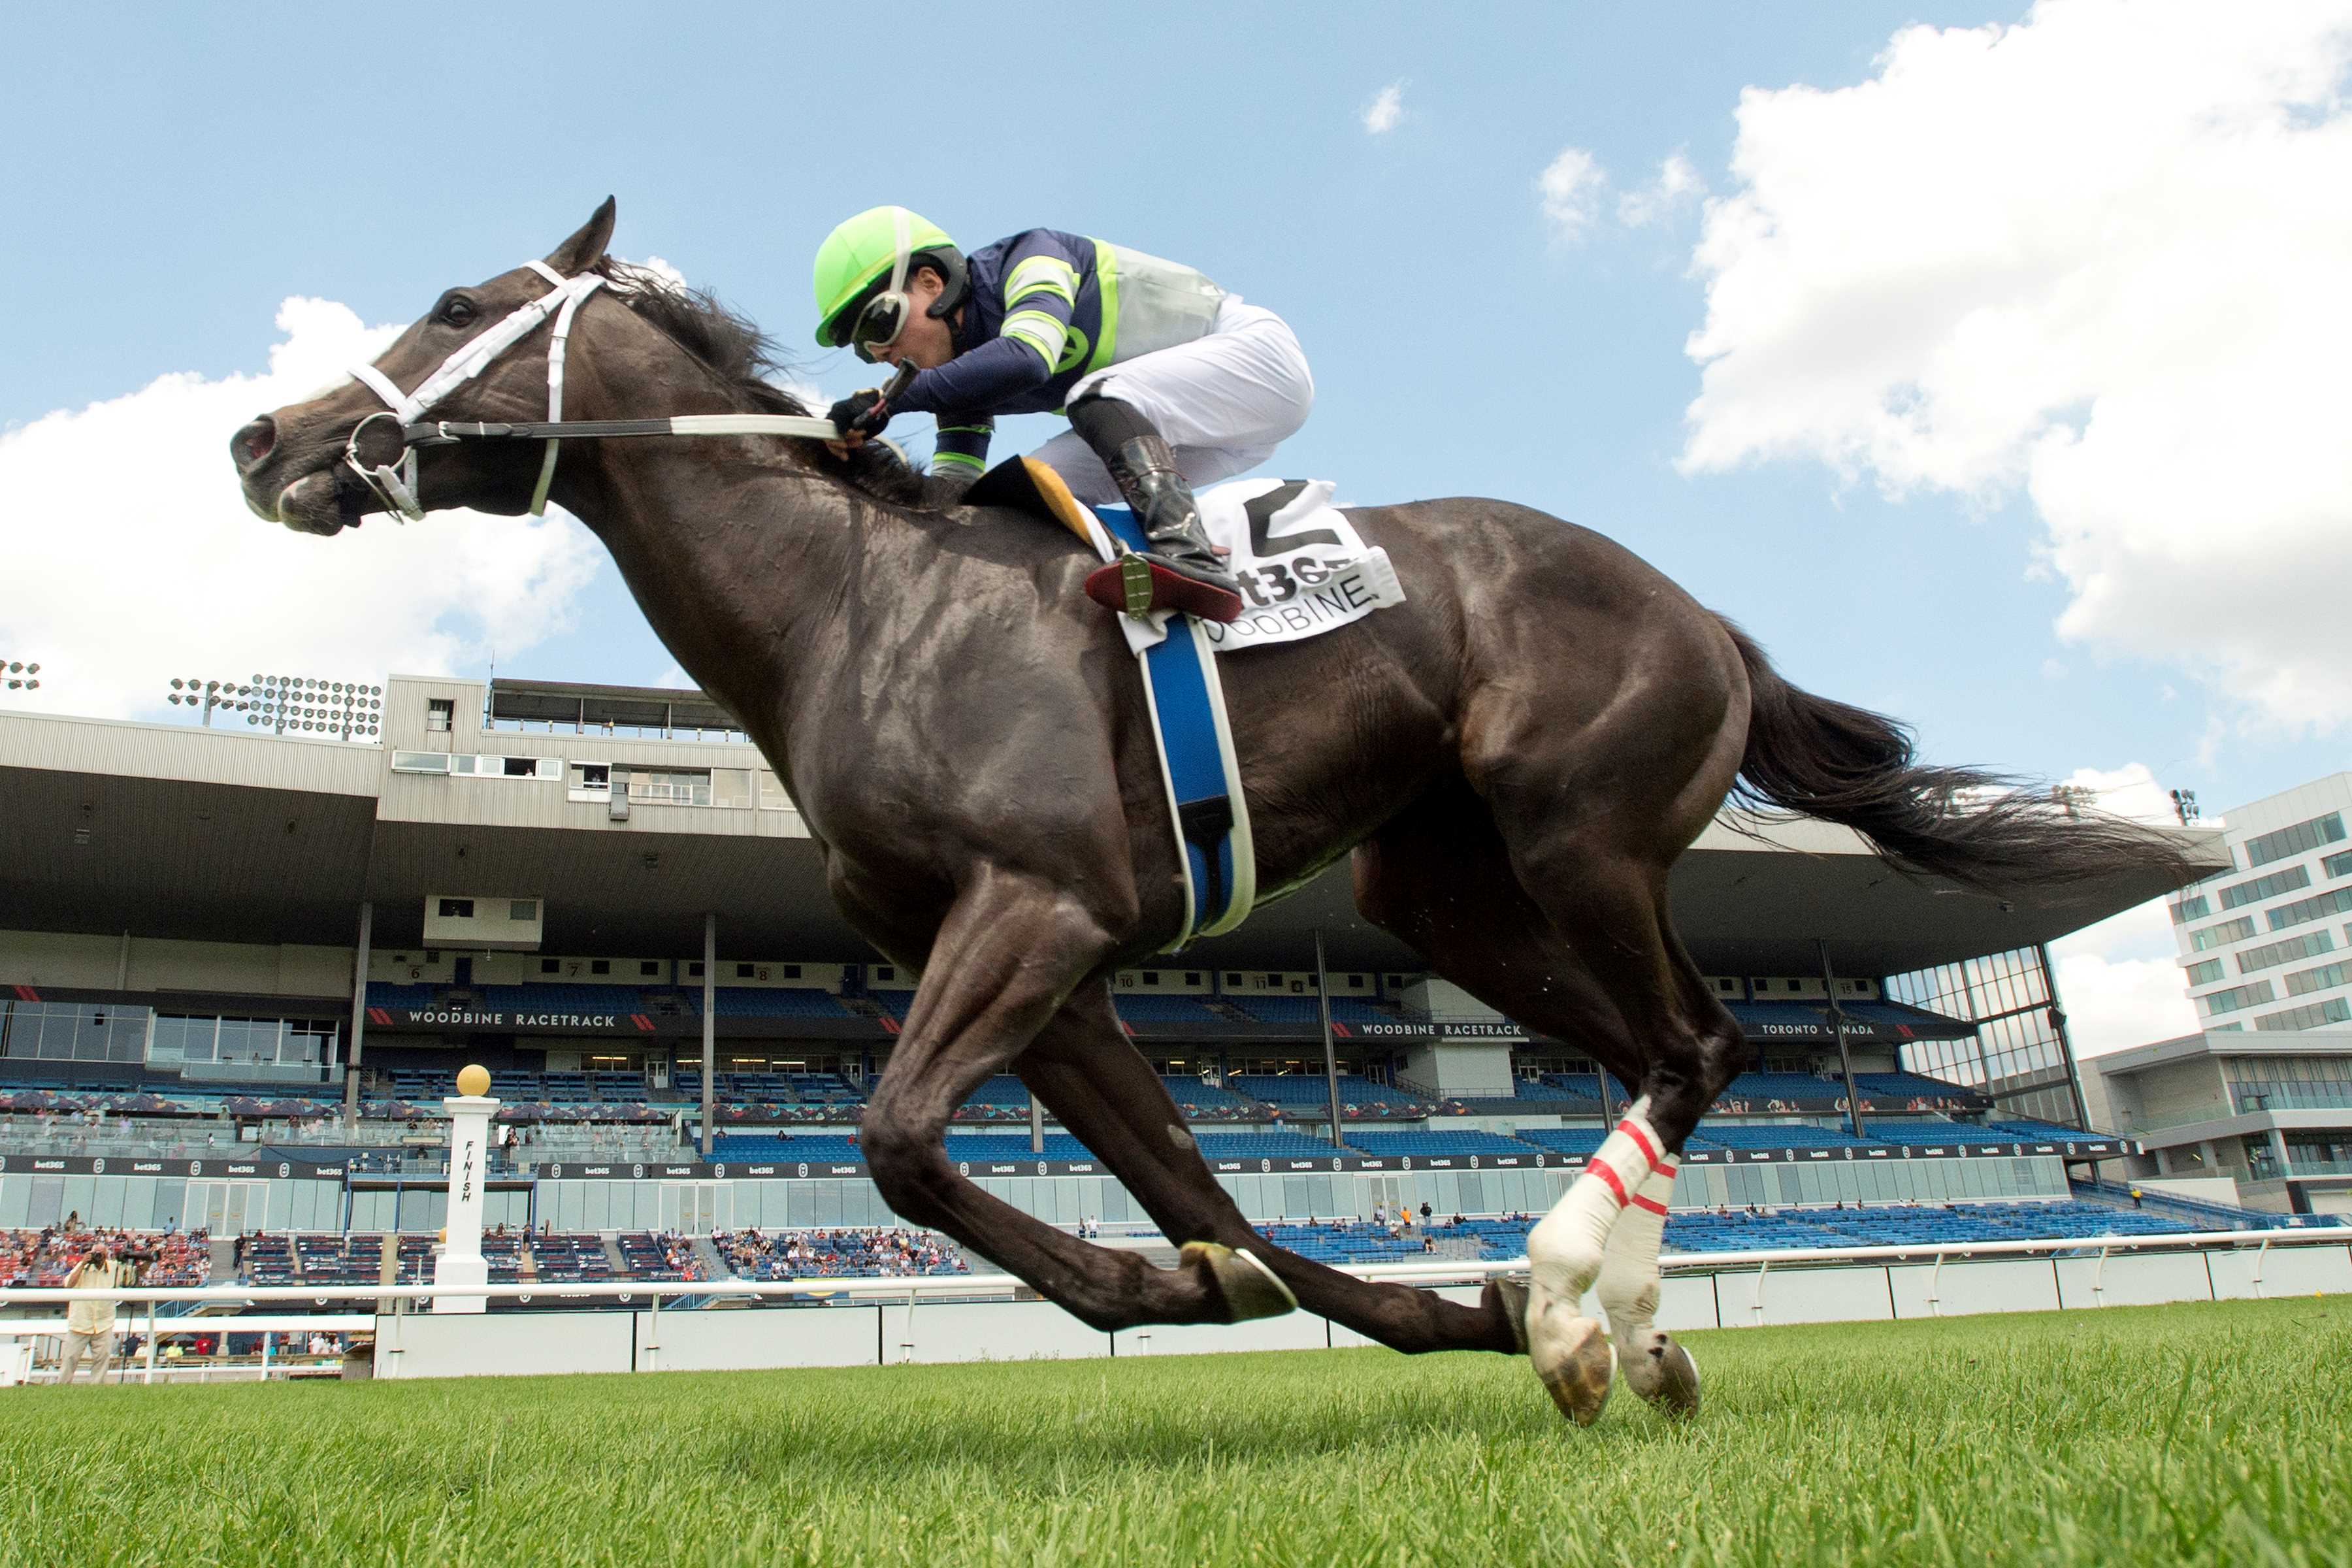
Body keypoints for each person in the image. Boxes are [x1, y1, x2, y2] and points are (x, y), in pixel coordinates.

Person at [810, 206, 1315, 623]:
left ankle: (1191, 556)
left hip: (1258, 361)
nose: (880, 352)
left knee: (1093, 395)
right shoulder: (960, 383)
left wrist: (890, 401)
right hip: (1202, 430)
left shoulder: (1033, 256)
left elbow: (1029, 356)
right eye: (864, 348)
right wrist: (863, 470)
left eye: (880, 322)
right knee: (1021, 493)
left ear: (930, 281)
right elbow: (950, 500)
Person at [59, 1242, 134, 1384]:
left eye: (101, 1254)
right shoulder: (82, 1267)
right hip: (80, 1322)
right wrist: (82, 1264)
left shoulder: (114, 1268)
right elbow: (68, 1284)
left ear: (107, 1255)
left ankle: (97, 1388)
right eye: (96, 1253)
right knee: (70, 1358)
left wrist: (145, 1262)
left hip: (103, 1322)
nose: (98, 1257)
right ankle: (62, 1385)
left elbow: (131, 1278)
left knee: (102, 1359)